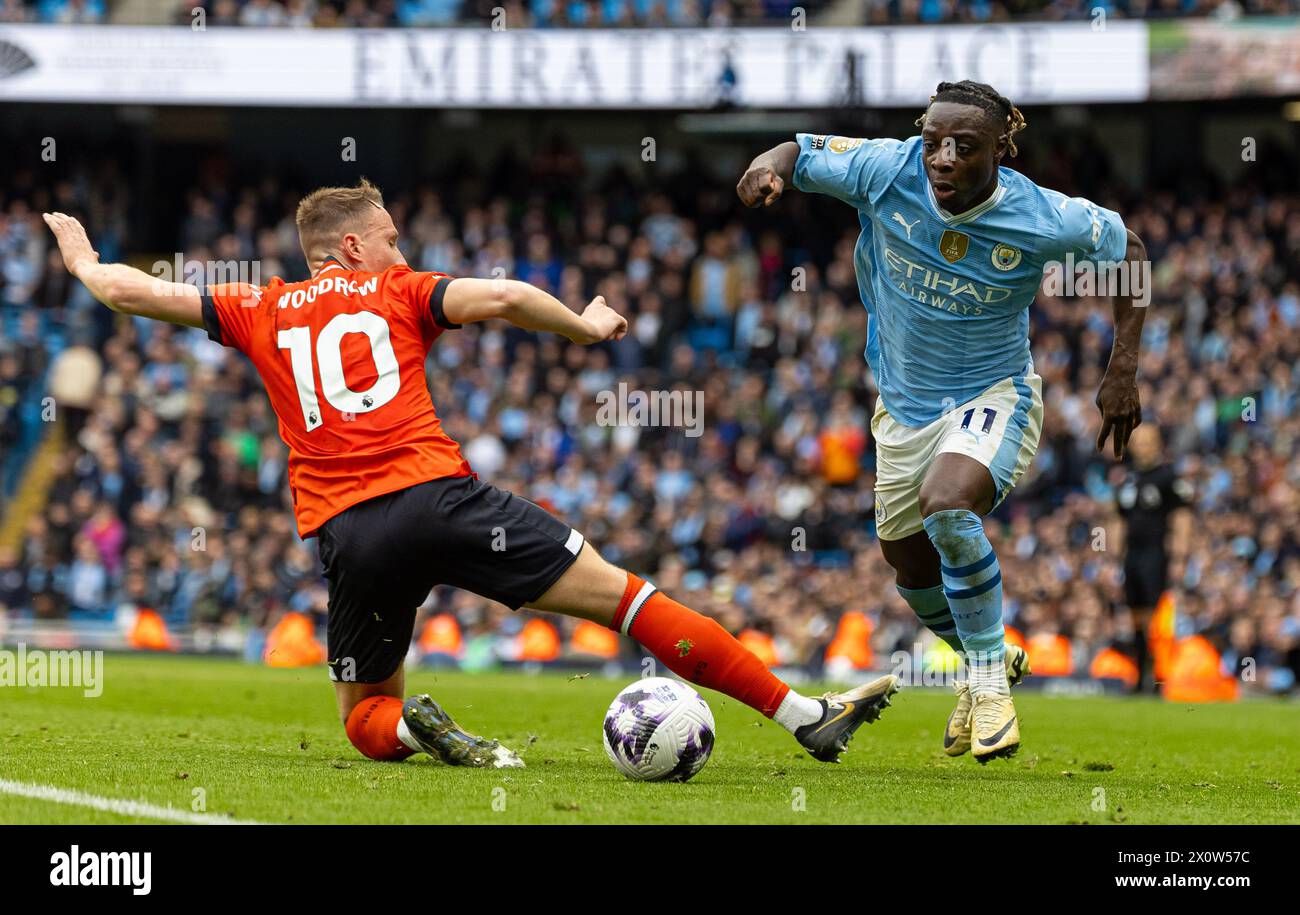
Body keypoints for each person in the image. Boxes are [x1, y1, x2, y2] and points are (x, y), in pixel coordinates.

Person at [43, 180, 899, 770]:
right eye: (389, 237)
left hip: (352, 532)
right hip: (445, 499)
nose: (399, 247)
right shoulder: (400, 291)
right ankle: (802, 717)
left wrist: (82, 264)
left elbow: (135, 291)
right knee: (627, 600)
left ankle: (419, 736)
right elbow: (502, 297)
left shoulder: (257, 304)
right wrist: (583, 326)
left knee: (361, 718)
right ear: (352, 243)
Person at [737, 80, 1148, 761]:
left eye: (965, 146)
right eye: (934, 142)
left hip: (993, 393)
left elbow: (1129, 249)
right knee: (906, 563)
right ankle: (992, 653)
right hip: (902, 406)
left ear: (1000, 151)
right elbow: (799, 150)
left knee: (948, 505)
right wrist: (768, 167)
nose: (944, 158)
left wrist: (1123, 367)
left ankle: (988, 686)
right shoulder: (885, 168)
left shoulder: (1042, 216)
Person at [1116, 425, 1191, 693]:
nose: (1143, 447)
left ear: (1158, 445)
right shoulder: (1127, 478)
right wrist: (1114, 556)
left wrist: (1180, 557)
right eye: (1139, 442)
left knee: (1155, 616)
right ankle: (1139, 677)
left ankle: (1159, 678)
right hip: (1132, 556)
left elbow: (1181, 516)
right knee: (1134, 615)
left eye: (1148, 442)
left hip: (1155, 553)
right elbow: (1119, 519)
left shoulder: (1168, 477)